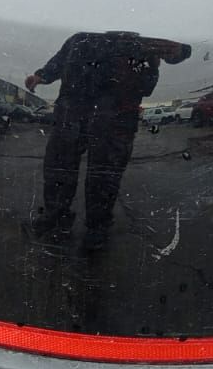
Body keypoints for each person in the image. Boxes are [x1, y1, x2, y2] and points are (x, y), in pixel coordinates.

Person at [26, 32, 191, 252]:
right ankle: (59, 216)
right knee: (63, 166)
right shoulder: (83, 40)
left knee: (101, 174)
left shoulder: (137, 46)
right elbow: (60, 60)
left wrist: (152, 66)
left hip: (111, 117)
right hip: (78, 112)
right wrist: (41, 76)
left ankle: (94, 225)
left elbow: (147, 86)